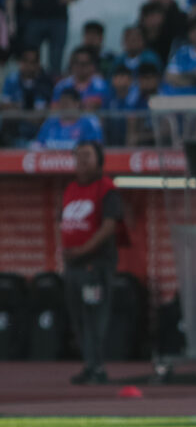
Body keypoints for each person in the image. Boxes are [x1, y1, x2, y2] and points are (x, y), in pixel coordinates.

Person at [61, 141, 123, 385]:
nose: (81, 161)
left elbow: (110, 225)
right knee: (78, 317)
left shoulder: (106, 188)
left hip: (94, 266)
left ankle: (97, 367)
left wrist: (83, 250)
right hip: (72, 265)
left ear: (99, 160)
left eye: (87, 156)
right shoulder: (71, 189)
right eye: (78, 156)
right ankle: (89, 364)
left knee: (94, 316)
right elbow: (62, 223)